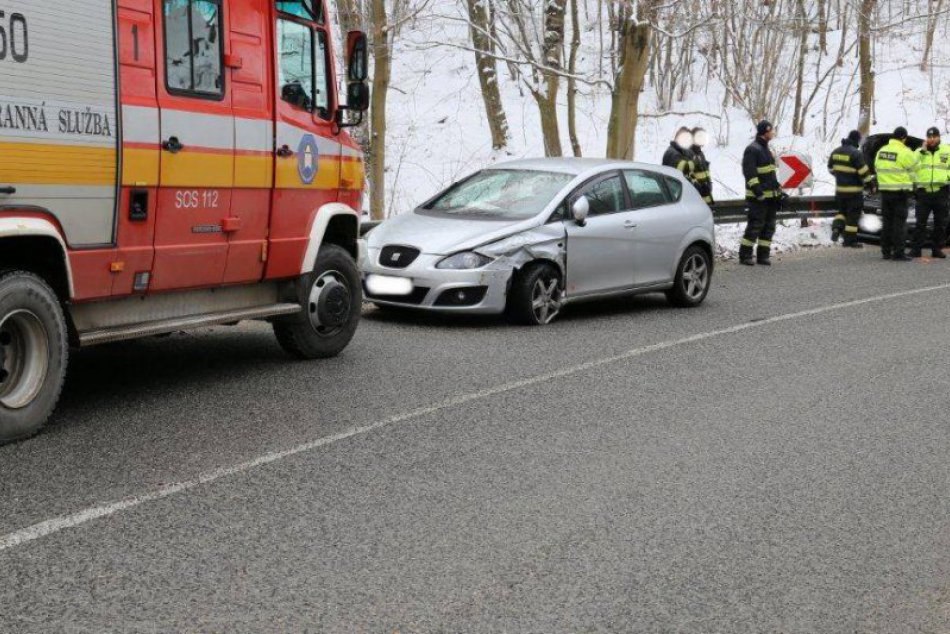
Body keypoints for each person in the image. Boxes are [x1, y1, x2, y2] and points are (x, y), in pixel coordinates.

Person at [740, 120, 785, 266]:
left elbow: (770, 175)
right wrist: (758, 192)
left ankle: (763, 256)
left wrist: (778, 190)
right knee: (755, 226)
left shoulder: (766, 150)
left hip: (770, 198)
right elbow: (749, 174)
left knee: (769, 227)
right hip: (757, 198)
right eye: (771, 130)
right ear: (765, 131)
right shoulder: (753, 149)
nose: (773, 133)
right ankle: (745, 255)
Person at [874, 127, 919, 261]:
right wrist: (915, 185)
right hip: (900, 193)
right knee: (899, 224)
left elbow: (876, 167)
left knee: (887, 222)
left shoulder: (881, 151)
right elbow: (915, 169)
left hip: (885, 193)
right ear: (903, 138)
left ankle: (886, 252)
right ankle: (899, 253)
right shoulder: (904, 152)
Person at [828, 130, 874, 248]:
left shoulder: (836, 151)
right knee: (853, 216)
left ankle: (837, 228)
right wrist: (870, 185)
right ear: (857, 140)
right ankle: (849, 241)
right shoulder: (856, 154)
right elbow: (864, 172)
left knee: (841, 212)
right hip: (854, 192)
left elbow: (830, 169)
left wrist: (840, 175)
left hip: (840, 191)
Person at [910, 126, 950, 259]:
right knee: (920, 223)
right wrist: (921, 151)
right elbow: (911, 166)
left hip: (941, 192)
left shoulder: (947, 150)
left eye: (934, 137)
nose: (931, 140)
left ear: (939, 137)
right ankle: (916, 249)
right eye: (929, 137)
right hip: (924, 193)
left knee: (940, 223)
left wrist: (946, 178)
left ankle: (937, 249)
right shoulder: (920, 152)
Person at [691, 127, 714, 205]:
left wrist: (709, 184)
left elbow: (705, 172)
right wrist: (699, 188)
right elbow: (687, 175)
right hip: (695, 199)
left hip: (706, 199)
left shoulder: (700, 154)